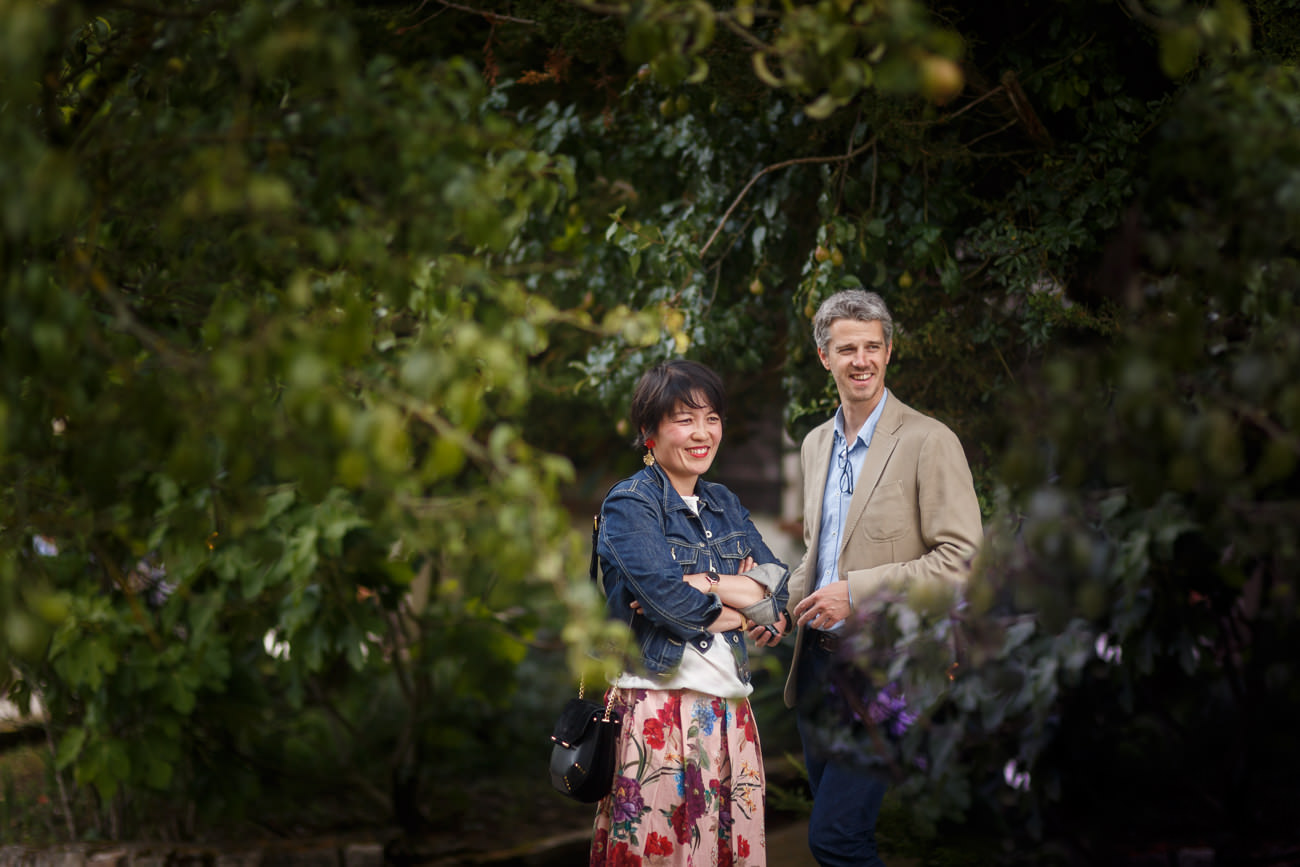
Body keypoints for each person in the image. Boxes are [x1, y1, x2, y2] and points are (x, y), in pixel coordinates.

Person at [760, 289, 983, 866]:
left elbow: (960, 559)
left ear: (888, 352)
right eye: (846, 348)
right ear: (824, 358)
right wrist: (771, 609)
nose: (861, 360)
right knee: (846, 838)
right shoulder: (814, 445)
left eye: (871, 347)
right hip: (815, 666)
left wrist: (855, 592)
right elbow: (818, 557)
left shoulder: (928, 441)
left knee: (834, 839)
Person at [590, 359, 790, 867]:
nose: (702, 433)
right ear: (649, 432)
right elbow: (670, 605)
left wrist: (707, 584)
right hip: (658, 711)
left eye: (712, 418)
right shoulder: (629, 505)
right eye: (684, 419)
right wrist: (745, 607)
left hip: (730, 716)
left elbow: (778, 593)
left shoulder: (723, 501)